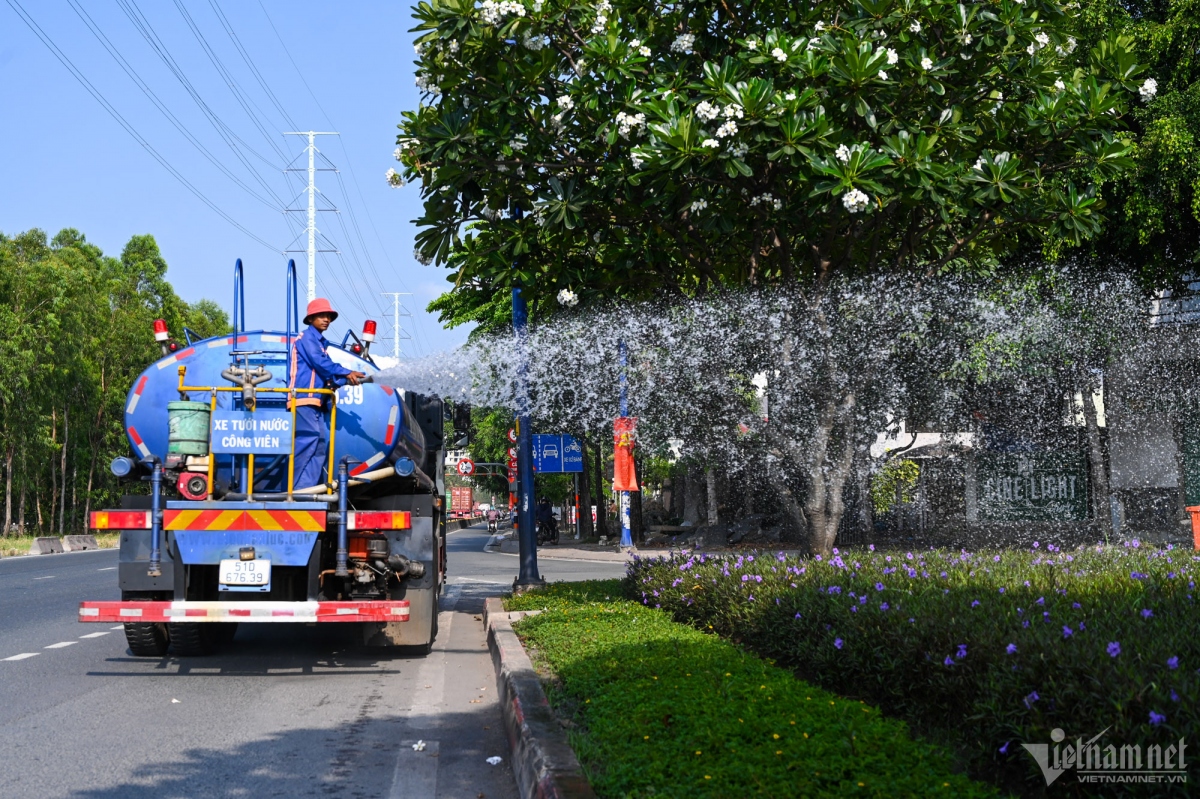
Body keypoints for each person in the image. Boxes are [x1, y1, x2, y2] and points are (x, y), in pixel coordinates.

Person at [290, 298, 365, 489]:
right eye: (322, 316)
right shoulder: (307, 339)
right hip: (302, 398)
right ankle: (293, 488)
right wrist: (346, 372)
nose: (326, 320)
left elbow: (328, 374)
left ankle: (306, 491)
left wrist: (346, 379)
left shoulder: (320, 343)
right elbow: (320, 364)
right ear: (311, 319)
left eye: (329, 316)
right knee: (308, 441)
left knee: (320, 445)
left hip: (316, 400)